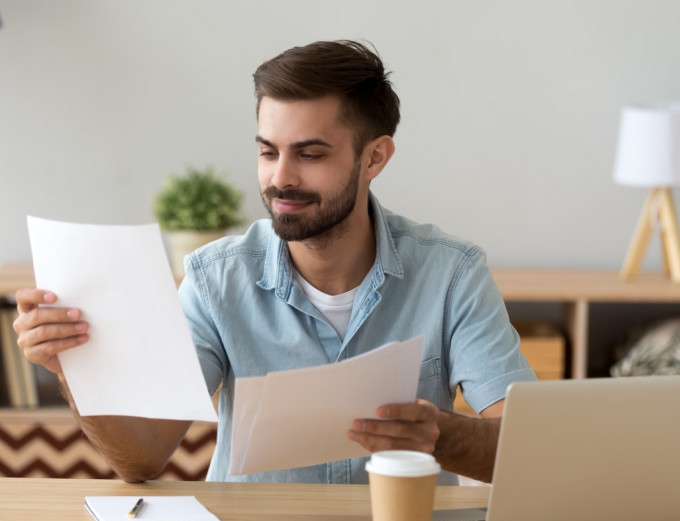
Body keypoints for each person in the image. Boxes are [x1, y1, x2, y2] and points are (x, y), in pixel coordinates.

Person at [13, 40, 535, 485]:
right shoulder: (215, 279)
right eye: (268, 152)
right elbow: (143, 458)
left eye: (310, 155)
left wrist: (442, 434)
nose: (280, 179)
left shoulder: (452, 275)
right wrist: (73, 369)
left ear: (374, 157)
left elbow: (528, 449)